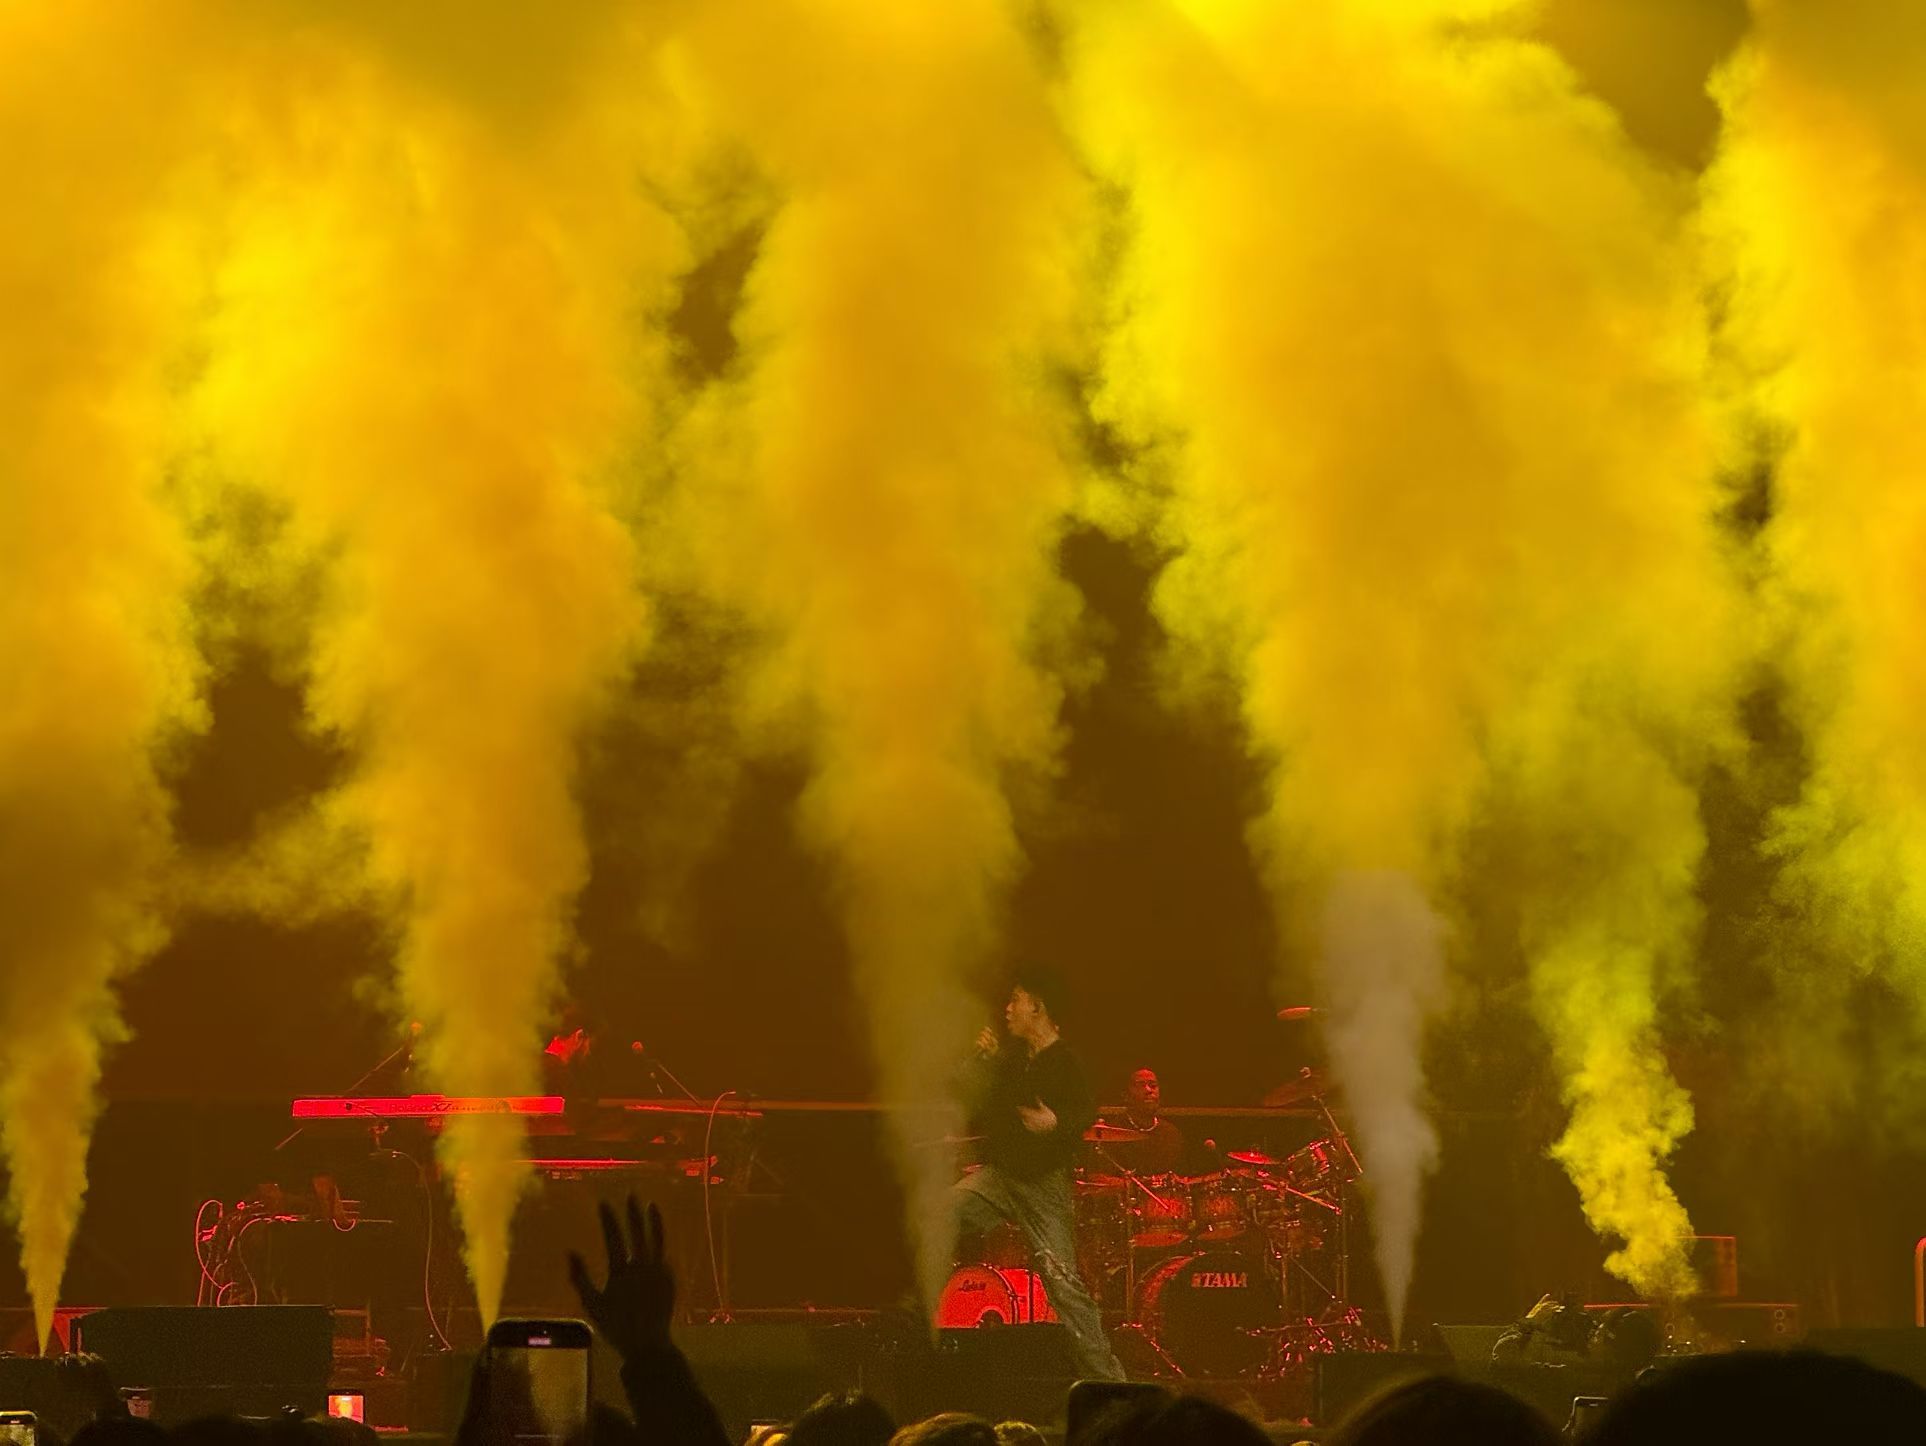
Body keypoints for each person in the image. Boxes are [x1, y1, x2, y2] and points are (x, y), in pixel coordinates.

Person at [958, 963, 1126, 1381]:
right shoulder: (1014, 1060)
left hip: (1042, 1186)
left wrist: (1056, 1123)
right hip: (1001, 1178)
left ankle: (1110, 1380)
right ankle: (915, 1331)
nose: (1007, 1008)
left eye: (1015, 1000)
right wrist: (981, 1064)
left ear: (1037, 1007)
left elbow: (1083, 1112)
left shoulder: (1065, 1062)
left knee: (1063, 1283)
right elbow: (981, 1104)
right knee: (939, 1215)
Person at [1102, 1069, 1186, 1176]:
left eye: (1153, 1085)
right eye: (1140, 1085)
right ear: (1125, 1095)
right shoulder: (1109, 1134)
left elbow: (1182, 1178)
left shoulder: (1171, 1134)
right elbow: (1097, 1177)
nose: (1148, 1090)